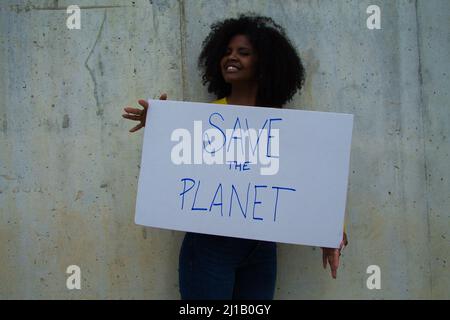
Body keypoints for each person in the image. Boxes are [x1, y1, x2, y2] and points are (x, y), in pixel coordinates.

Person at [122, 14, 348, 299]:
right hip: (208, 248)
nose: (232, 58)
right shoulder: (202, 119)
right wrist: (162, 126)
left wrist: (332, 233)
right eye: (227, 52)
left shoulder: (285, 127)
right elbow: (176, 169)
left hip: (262, 249)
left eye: (243, 52)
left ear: (264, 62)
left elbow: (314, 177)